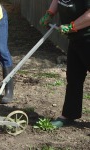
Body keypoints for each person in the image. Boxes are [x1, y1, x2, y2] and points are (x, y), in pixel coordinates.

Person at [40, 0, 90, 128]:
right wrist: (49, 13)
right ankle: (69, 115)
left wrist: (72, 26)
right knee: (74, 78)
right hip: (75, 39)